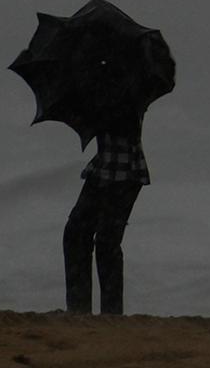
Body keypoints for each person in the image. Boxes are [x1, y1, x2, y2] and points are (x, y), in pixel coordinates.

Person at [62, 100, 150, 316]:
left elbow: (122, 124)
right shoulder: (112, 84)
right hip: (107, 167)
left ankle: (104, 313)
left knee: (104, 241)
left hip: (123, 171)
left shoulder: (124, 89)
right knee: (79, 235)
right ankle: (82, 309)